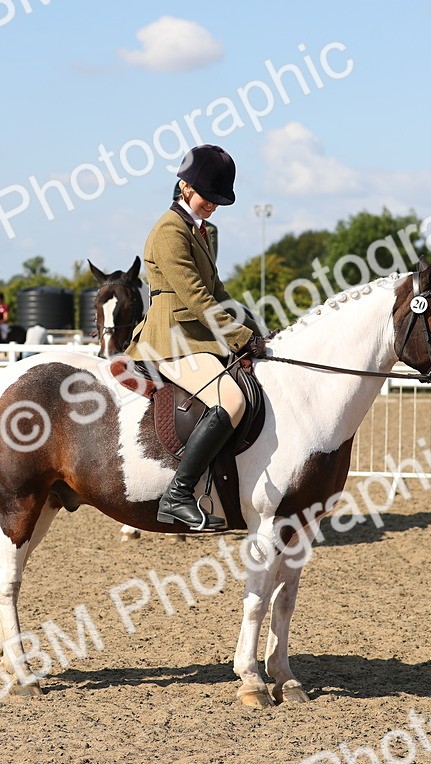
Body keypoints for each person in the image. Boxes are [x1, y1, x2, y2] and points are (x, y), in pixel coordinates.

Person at [125, 144, 265, 531]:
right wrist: (237, 336)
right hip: (172, 338)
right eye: (209, 197)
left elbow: (217, 289)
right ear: (185, 186)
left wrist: (252, 327)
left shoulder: (196, 230)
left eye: (219, 201)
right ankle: (178, 495)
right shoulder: (169, 231)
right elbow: (196, 296)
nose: (213, 207)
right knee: (231, 401)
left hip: (196, 335)